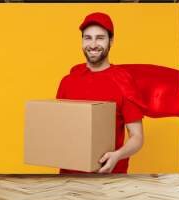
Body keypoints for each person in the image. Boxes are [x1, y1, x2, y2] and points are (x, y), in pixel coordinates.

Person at [56, 12, 144, 174]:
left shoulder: (123, 81)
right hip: (69, 175)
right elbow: (59, 127)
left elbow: (137, 137)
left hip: (108, 175)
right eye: (88, 38)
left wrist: (118, 155)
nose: (93, 44)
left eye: (100, 38)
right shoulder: (68, 81)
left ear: (111, 41)